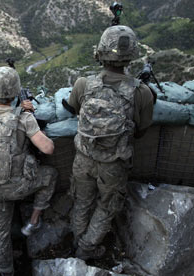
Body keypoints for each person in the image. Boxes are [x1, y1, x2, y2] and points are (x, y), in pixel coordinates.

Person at [66, 25, 154, 260]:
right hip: (113, 164)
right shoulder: (141, 92)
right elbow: (142, 131)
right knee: (107, 206)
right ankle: (86, 248)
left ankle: (77, 240)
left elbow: (73, 109)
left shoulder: (84, 84)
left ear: (100, 52)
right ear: (131, 55)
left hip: (83, 158)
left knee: (82, 201)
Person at [0, 66, 58, 276]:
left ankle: (6, 272)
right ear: (15, 92)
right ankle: (33, 221)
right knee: (50, 175)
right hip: (17, 186)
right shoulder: (23, 118)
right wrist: (28, 115)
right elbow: (48, 148)